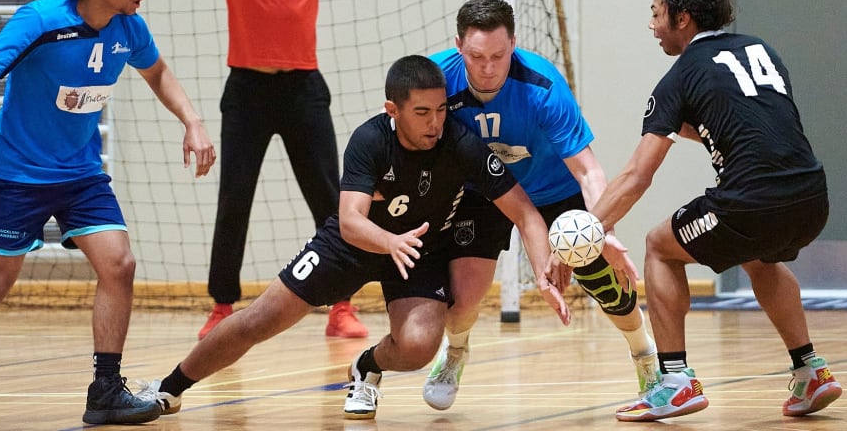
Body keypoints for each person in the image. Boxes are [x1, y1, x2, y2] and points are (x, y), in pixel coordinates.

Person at [134, 55, 572, 420]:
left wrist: (544, 271)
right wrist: (390, 241)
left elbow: (526, 214)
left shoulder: (462, 143)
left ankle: (366, 367)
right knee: (259, 320)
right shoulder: (369, 140)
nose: (435, 122)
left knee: (420, 347)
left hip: (418, 251)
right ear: (392, 110)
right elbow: (349, 221)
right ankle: (168, 389)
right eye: (421, 112)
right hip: (353, 246)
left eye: (440, 110)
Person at [0, 0, 217, 426]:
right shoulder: (40, 19)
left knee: (119, 265)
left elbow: (159, 73)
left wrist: (193, 122)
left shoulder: (129, 28)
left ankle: (105, 390)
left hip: (81, 174)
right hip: (20, 174)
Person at [181, 0, 387, 341]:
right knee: (234, 201)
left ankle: (341, 305)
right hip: (247, 89)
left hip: (303, 89)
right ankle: (223, 307)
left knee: (331, 199)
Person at [590, 0, 842, 421]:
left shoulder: (681, 74)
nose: (651, 25)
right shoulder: (759, 49)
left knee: (659, 246)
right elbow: (752, 121)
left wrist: (591, 229)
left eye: (656, 14)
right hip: (812, 197)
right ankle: (811, 371)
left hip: (751, 201)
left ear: (682, 18)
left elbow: (637, 176)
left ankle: (674, 382)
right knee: (760, 257)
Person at [424, 0, 652, 411]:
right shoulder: (434, 79)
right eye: (476, 56)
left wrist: (603, 231)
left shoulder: (543, 86)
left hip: (553, 190)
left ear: (514, 43)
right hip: (483, 191)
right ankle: (455, 352)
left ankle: (645, 355)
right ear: (458, 45)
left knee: (605, 285)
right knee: (463, 296)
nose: (488, 67)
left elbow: (588, 171)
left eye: (498, 55)